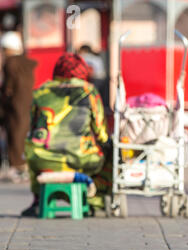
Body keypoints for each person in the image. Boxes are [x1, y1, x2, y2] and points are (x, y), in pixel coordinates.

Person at [21, 53, 111, 217]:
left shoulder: (41, 91)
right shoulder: (88, 91)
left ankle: (38, 199)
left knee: (31, 148)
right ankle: (93, 199)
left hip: (42, 158)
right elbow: (101, 133)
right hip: (79, 157)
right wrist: (106, 144)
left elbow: (33, 127)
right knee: (109, 153)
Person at [0, 31, 37, 183]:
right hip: (28, 102)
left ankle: (18, 166)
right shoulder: (27, 62)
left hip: (14, 105)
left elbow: (8, 87)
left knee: (15, 134)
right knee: (25, 133)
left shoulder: (10, 62)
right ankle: (25, 165)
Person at [78, 45, 109, 109]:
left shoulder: (85, 56)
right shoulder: (96, 57)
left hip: (95, 79)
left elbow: (89, 70)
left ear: (84, 51)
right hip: (103, 79)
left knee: (92, 97)